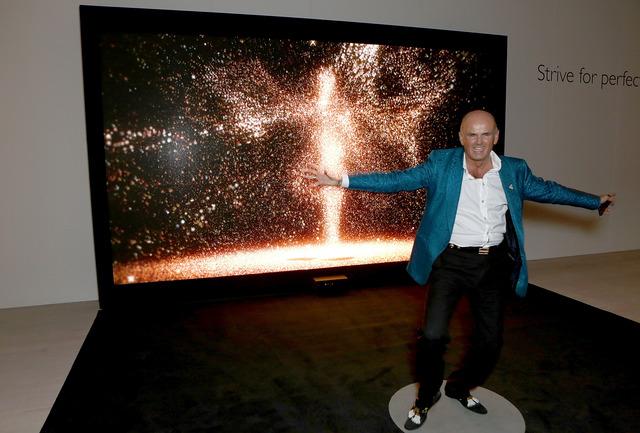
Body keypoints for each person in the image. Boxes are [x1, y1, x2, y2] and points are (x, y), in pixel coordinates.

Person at [303, 109, 615, 430]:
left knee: (490, 344)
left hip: (492, 265)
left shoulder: (514, 170)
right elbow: (397, 179)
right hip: (451, 264)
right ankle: (426, 397)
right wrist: (341, 180)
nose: (478, 142)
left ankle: (459, 386)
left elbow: (550, 190)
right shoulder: (442, 164)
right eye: (472, 134)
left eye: (485, 134)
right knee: (432, 337)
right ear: (461, 137)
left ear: (496, 137)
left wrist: (594, 201)